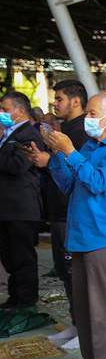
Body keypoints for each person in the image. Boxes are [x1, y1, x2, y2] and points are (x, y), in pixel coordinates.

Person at [34, 93, 106, 359]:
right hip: (81, 234)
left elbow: (98, 182)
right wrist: (57, 153)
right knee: (84, 307)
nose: (87, 119)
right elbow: (68, 183)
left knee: (104, 310)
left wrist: (70, 151)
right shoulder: (89, 146)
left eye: (92, 113)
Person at [28, 80, 89, 346]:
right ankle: (77, 324)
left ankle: (86, 329)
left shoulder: (85, 132)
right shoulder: (64, 129)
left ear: (76, 101)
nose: (55, 103)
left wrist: (51, 157)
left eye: (60, 98)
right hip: (58, 209)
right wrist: (49, 157)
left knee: (78, 272)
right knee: (65, 271)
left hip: (71, 212)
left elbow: (83, 172)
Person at [0, 92, 45, 309]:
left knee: (22, 257)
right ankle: (15, 296)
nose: (2, 113)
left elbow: (17, 166)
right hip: (7, 208)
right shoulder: (9, 134)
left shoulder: (30, 135)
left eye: (5, 109)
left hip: (21, 208)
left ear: (20, 111)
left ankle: (26, 300)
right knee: (9, 257)